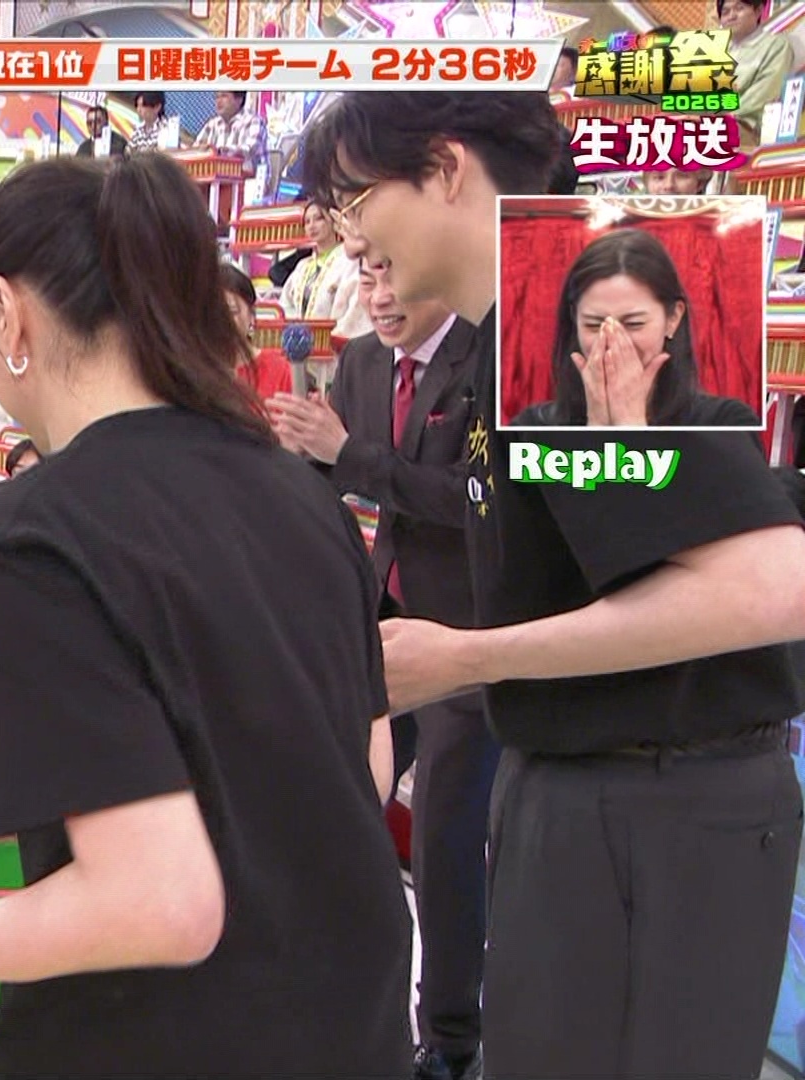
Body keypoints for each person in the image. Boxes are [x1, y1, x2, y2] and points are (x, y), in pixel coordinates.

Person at [0, 154, 411, 1080]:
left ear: (8, 313)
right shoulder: (303, 496)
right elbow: (362, 769)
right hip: (356, 1021)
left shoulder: (26, 543)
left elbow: (158, 905)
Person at [304, 90, 805, 1080]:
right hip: (586, 789)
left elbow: (770, 584)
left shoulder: (581, 314)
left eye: (356, 201)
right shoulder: (509, 339)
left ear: (445, 170)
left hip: (658, 808)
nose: (349, 240)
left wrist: (470, 657)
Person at [270, 258, 491, 1080]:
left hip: (468, 636)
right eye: (366, 277)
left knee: (444, 838)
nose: (380, 296)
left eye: (393, 274)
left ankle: (449, 1040)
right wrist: (299, 454)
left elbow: (477, 500)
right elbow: (335, 473)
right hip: (382, 616)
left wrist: (350, 453)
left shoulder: (488, 360)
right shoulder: (361, 362)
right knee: (325, 796)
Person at [514, 228, 756, 427]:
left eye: (634, 324)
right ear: (574, 320)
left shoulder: (727, 423)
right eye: (594, 325)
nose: (612, 342)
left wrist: (630, 424)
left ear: (672, 318)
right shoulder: (531, 427)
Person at [721, 0, 795, 148]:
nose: (731, 16)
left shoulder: (775, 45)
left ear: (758, 11)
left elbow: (761, 97)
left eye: (739, 8)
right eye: (725, 12)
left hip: (745, 129)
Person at [218, 261, 292, 400]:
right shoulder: (193, 373)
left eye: (232, 311)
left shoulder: (280, 370)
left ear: (251, 315)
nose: (222, 320)